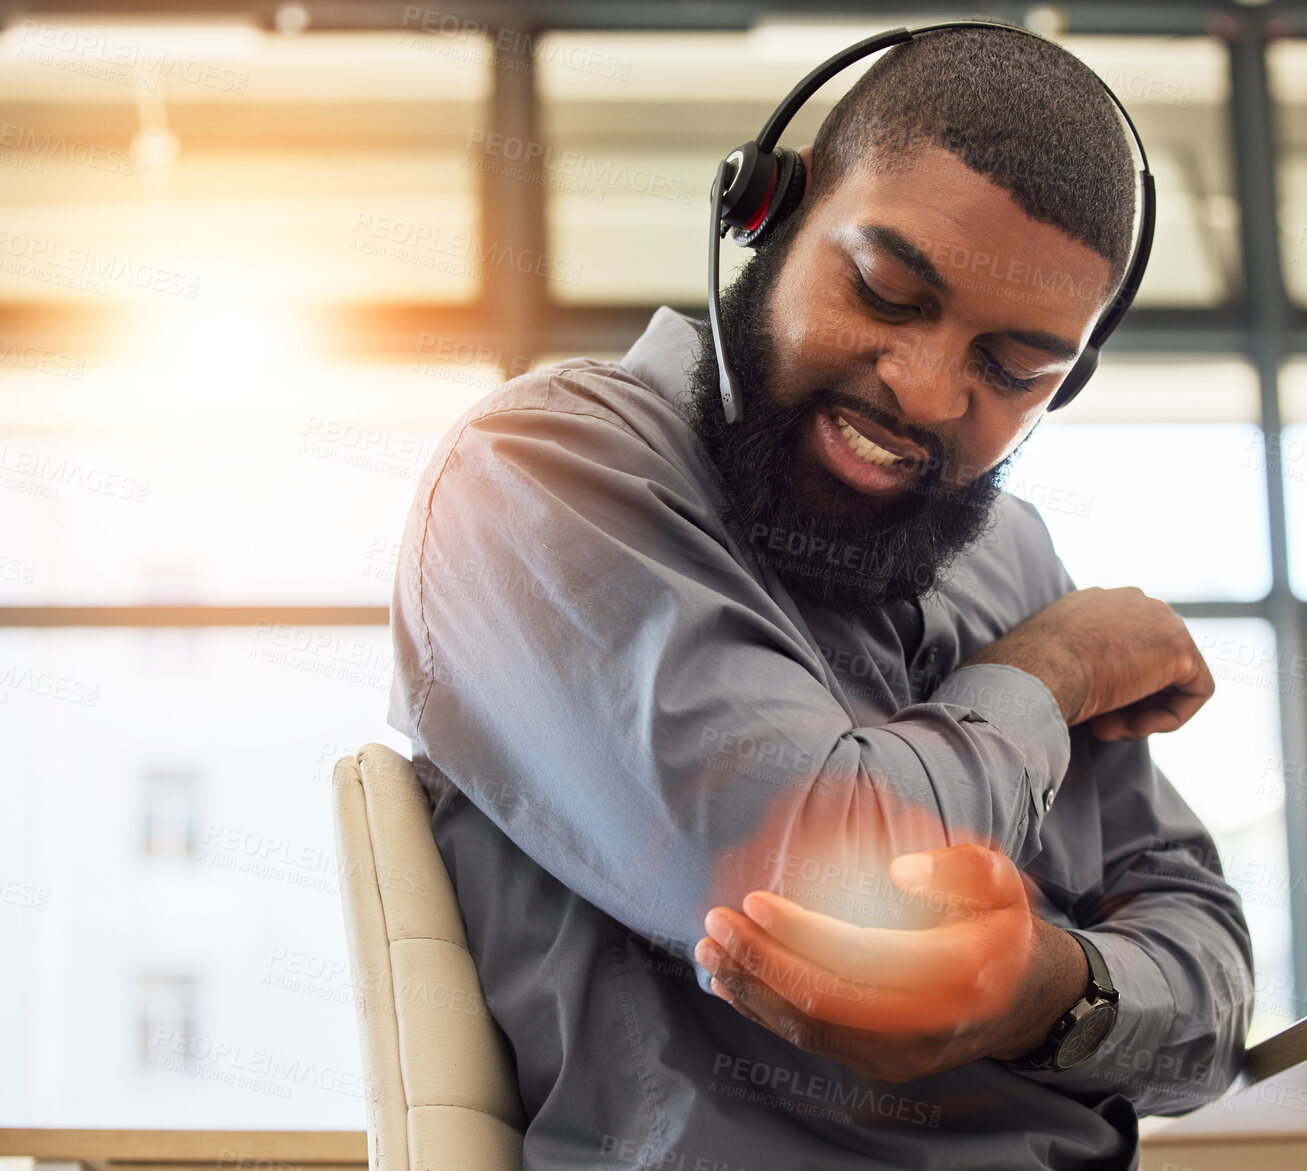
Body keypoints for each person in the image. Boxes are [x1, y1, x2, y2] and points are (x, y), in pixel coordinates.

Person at [389, 21, 1254, 1170]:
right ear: (769, 216)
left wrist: (1050, 993)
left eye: (1015, 369)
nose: (927, 391)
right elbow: (832, 880)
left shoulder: (1016, 555)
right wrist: (1052, 672)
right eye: (888, 292)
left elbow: (1210, 969)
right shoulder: (543, 472)